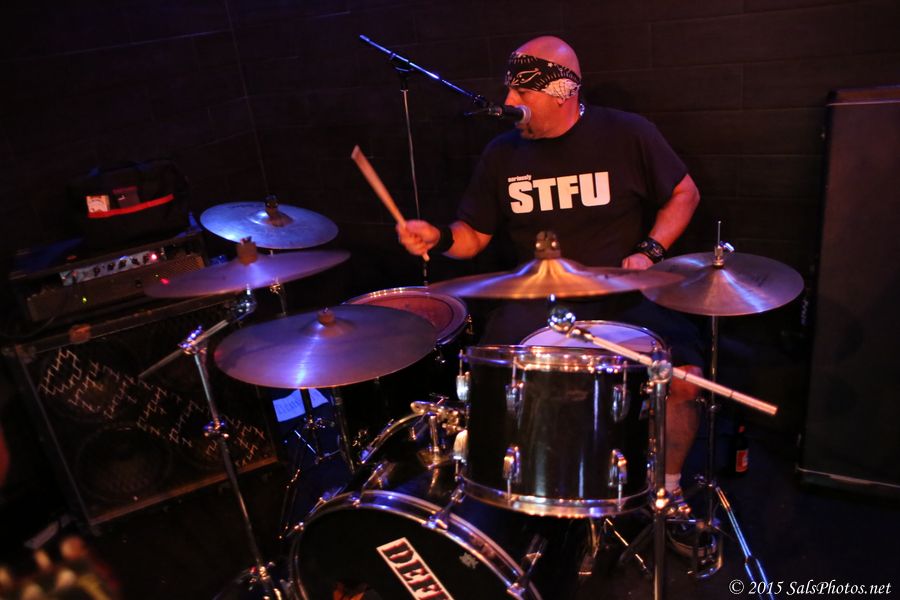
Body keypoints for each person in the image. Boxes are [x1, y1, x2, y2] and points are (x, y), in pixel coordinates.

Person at [396, 36, 704, 527]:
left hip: (620, 294)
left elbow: (685, 194)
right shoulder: (502, 154)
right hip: (536, 298)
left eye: (522, 92)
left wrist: (650, 251)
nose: (509, 102)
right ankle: (517, 490)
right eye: (509, 90)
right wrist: (437, 236)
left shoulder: (627, 133)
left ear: (562, 92)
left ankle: (668, 491)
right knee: (492, 371)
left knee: (684, 377)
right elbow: (473, 236)